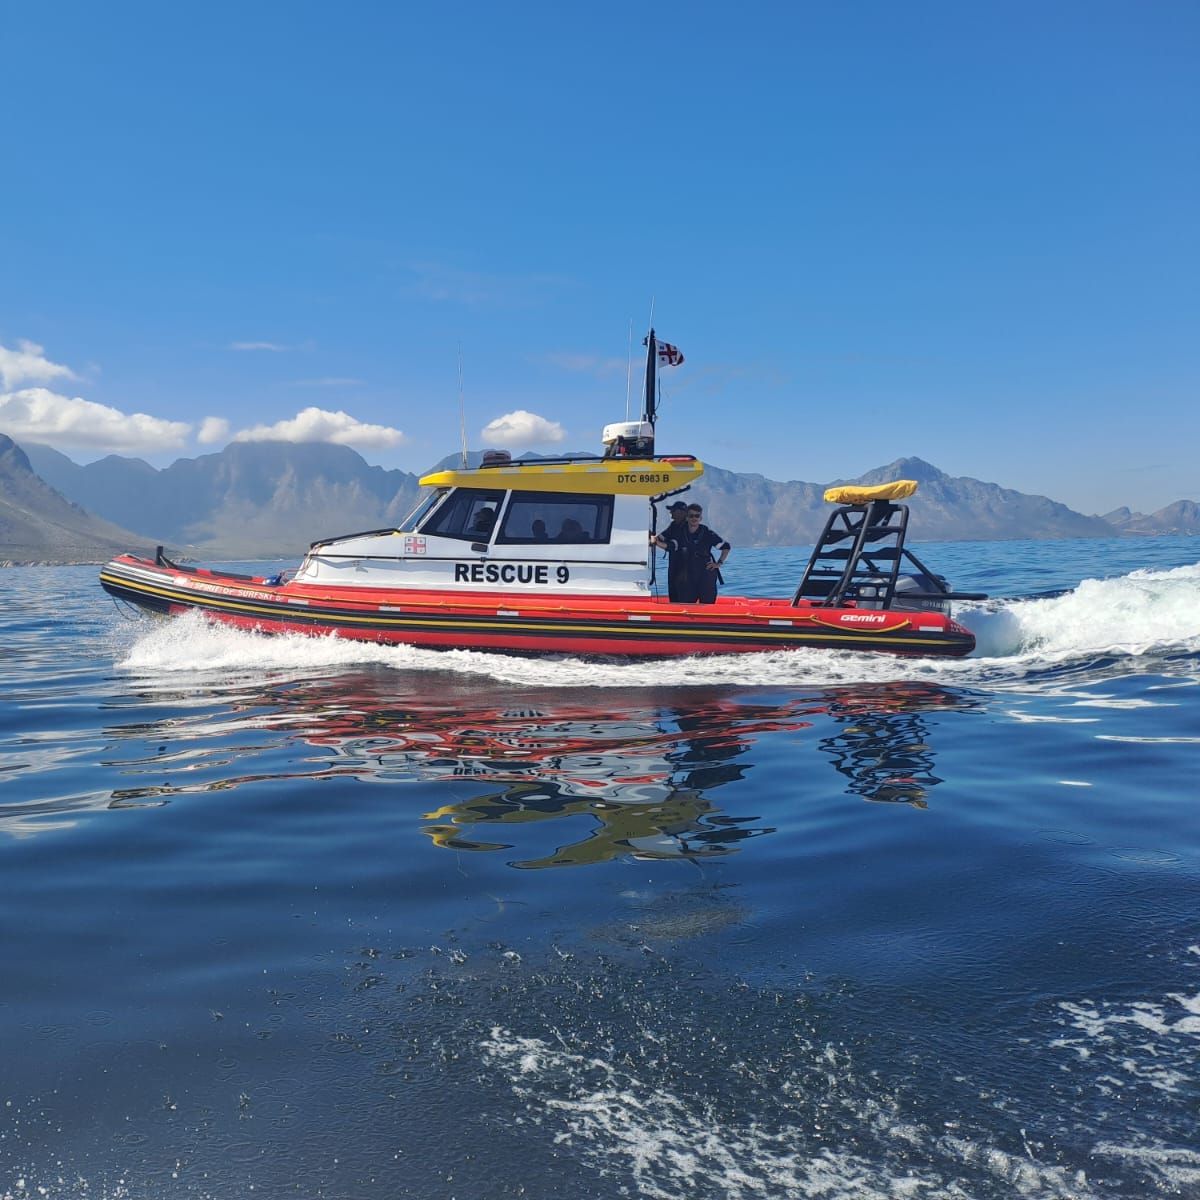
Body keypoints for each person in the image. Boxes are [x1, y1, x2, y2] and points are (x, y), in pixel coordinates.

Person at [653, 504, 730, 603]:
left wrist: (719, 563)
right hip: (687, 578)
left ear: (700, 518)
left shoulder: (707, 533)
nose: (694, 518)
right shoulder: (679, 532)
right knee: (685, 604)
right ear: (687, 517)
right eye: (691, 516)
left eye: (697, 516)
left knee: (707, 606)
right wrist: (656, 542)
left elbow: (726, 547)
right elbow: (670, 546)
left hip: (705, 575)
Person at [650, 501, 690, 601]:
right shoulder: (674, 525)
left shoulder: (688, 528)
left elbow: (673, 546)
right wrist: (651, 536)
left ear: (681, 512)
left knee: (682, 593)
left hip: (685, 569)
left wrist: (657, 543)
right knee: (673, 591)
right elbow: (661, 537)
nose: (671, 513)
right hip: (674, 566)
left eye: (673, 510)